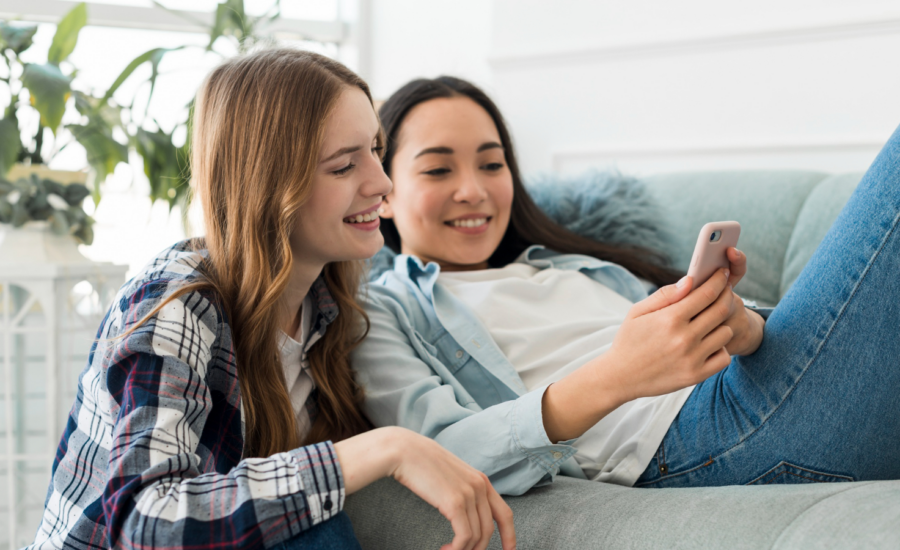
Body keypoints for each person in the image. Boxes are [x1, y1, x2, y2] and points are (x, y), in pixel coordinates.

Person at [28, 54, 515, 550]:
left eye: (375, 150)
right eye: (345, 164)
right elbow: (144, 522)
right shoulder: (177, 302)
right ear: (269, 185)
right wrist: (384, 449)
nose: (382, 183)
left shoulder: (332, 304)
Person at [351, 75, 900, 495]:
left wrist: (743, 327)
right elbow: (442, 454)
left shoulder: (569, 265)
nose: (473, 190)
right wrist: (617, 376)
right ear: (386, 191)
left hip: (743, 387)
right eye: (438, 170)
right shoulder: (379, 310)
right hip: (693, 442)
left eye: (492, 165)